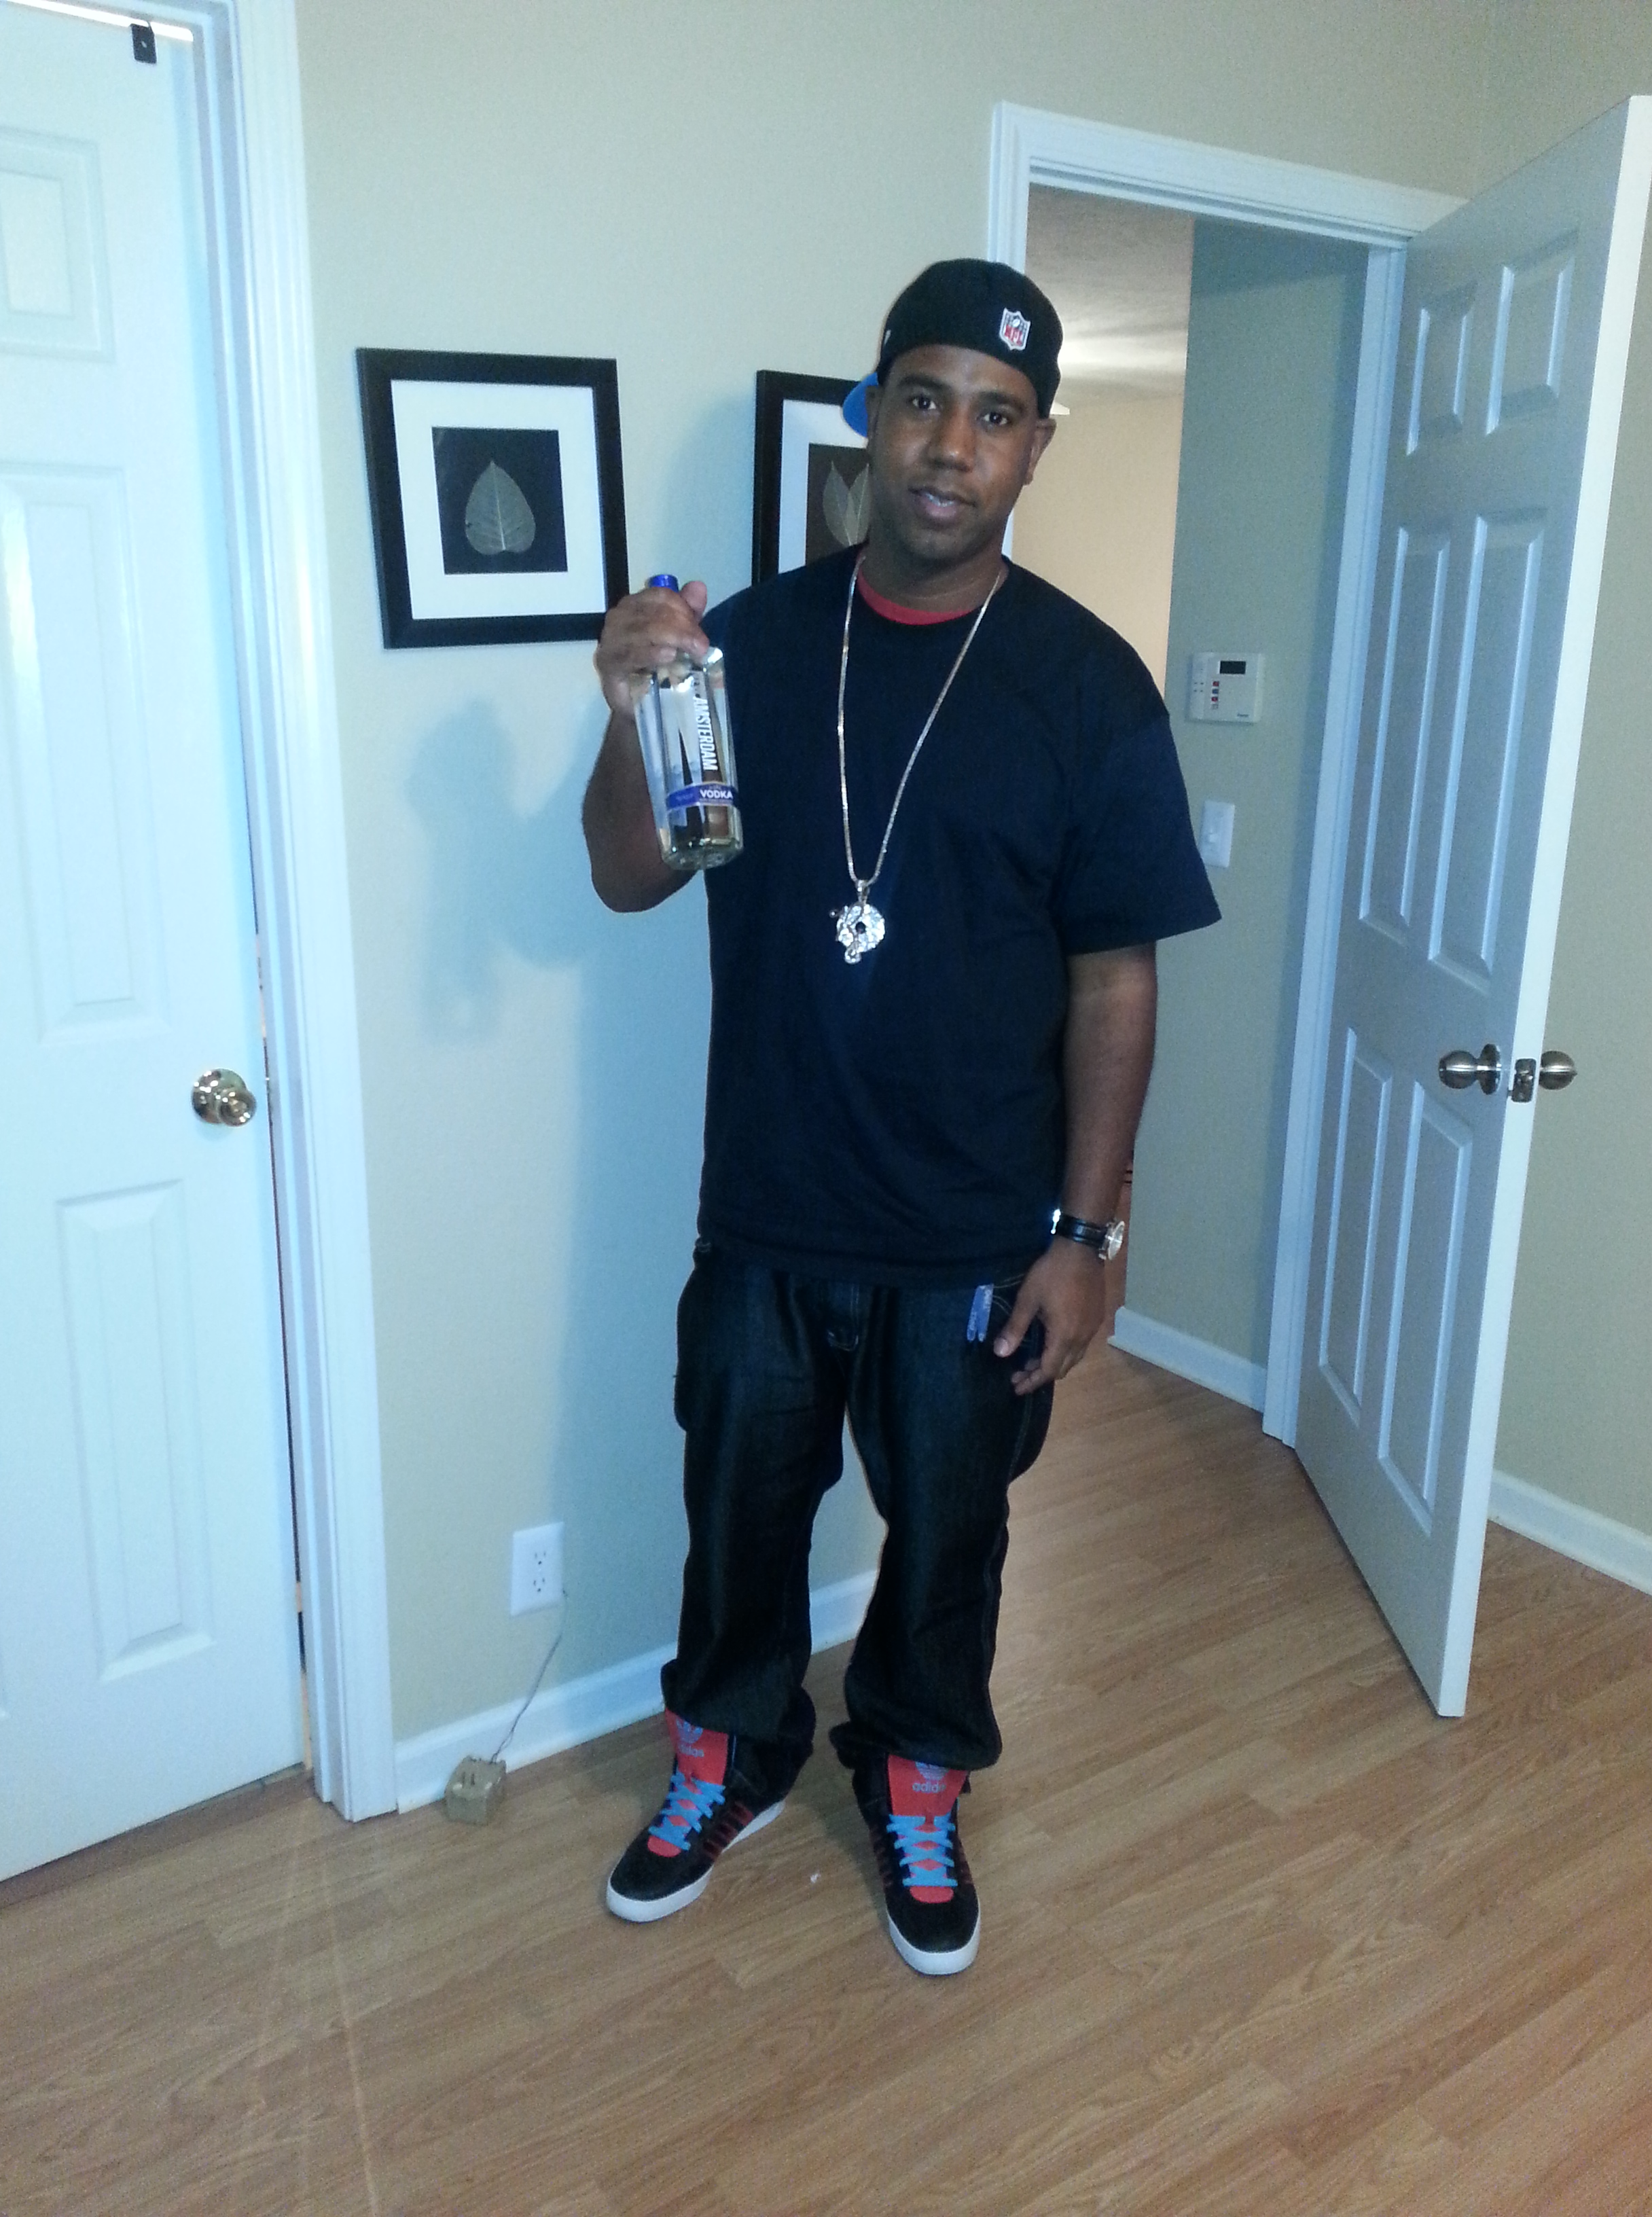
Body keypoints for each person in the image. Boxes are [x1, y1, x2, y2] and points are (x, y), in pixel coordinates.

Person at [582, 259, 1219, 1976]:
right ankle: (726, 1754)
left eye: (996, 417)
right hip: (769, 1208)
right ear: (874, 416)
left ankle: (918, 1779)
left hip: (976, 1234)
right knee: (736, 1518)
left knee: (950, 1542)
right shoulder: (751, 648)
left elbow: (1116, 980)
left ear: (1036, 448)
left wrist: (1090, 1234)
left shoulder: (1089, 688)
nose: (952, 445)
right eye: (924, 400)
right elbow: (633, 874)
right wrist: (633, 714)